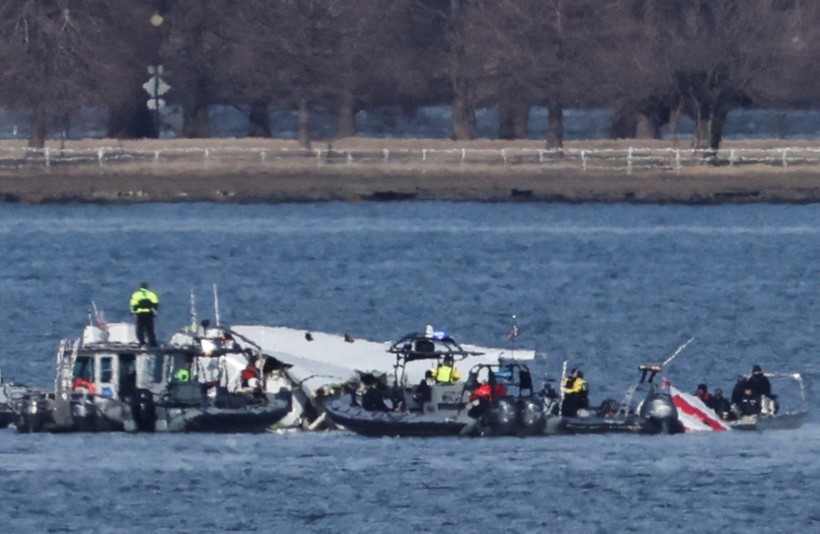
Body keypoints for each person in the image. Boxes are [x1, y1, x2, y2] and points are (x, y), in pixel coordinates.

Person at [130, 282, 160, 347]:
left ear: (140, 287)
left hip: (140, 314)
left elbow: (133, 305)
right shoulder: (152, 294)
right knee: (150, 329)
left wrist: (134, 313)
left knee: (140, 329)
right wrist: (155, 312)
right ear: (147, 287)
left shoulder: (136, 295)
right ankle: (152, 343)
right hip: (149, 314)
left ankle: (142, 342)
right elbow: (155, 304)